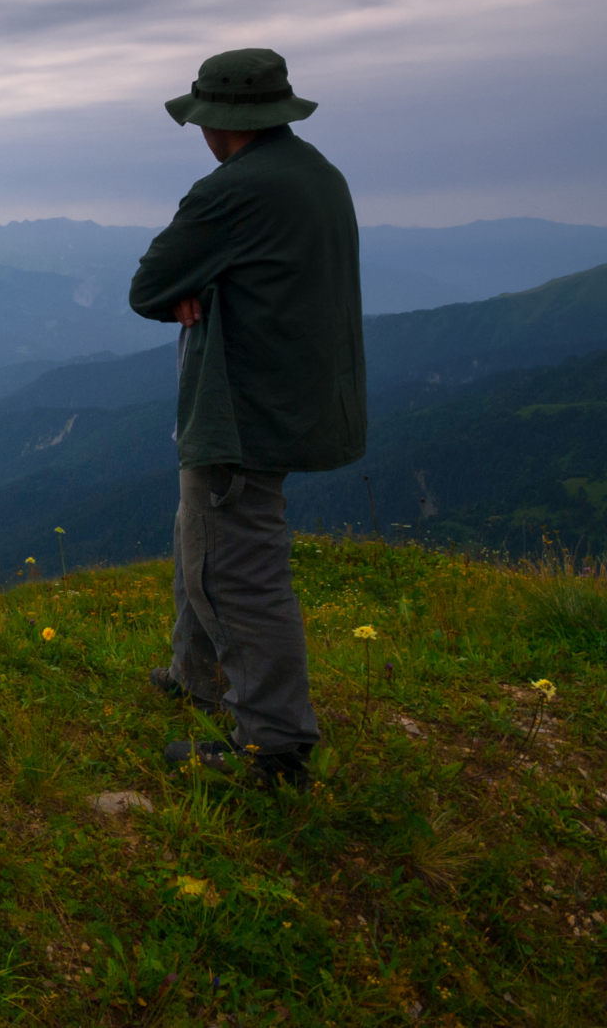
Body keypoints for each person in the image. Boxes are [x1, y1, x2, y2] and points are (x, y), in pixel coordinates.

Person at [128, 48, 365, 789]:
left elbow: (149, 284)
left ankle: (274, 746)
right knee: (201, 535)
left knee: (237, 565)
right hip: (305, 391)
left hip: (241, 405)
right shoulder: (319, 174)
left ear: (216, 123)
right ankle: (195, 676)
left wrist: (184, 288)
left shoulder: (229, 193)